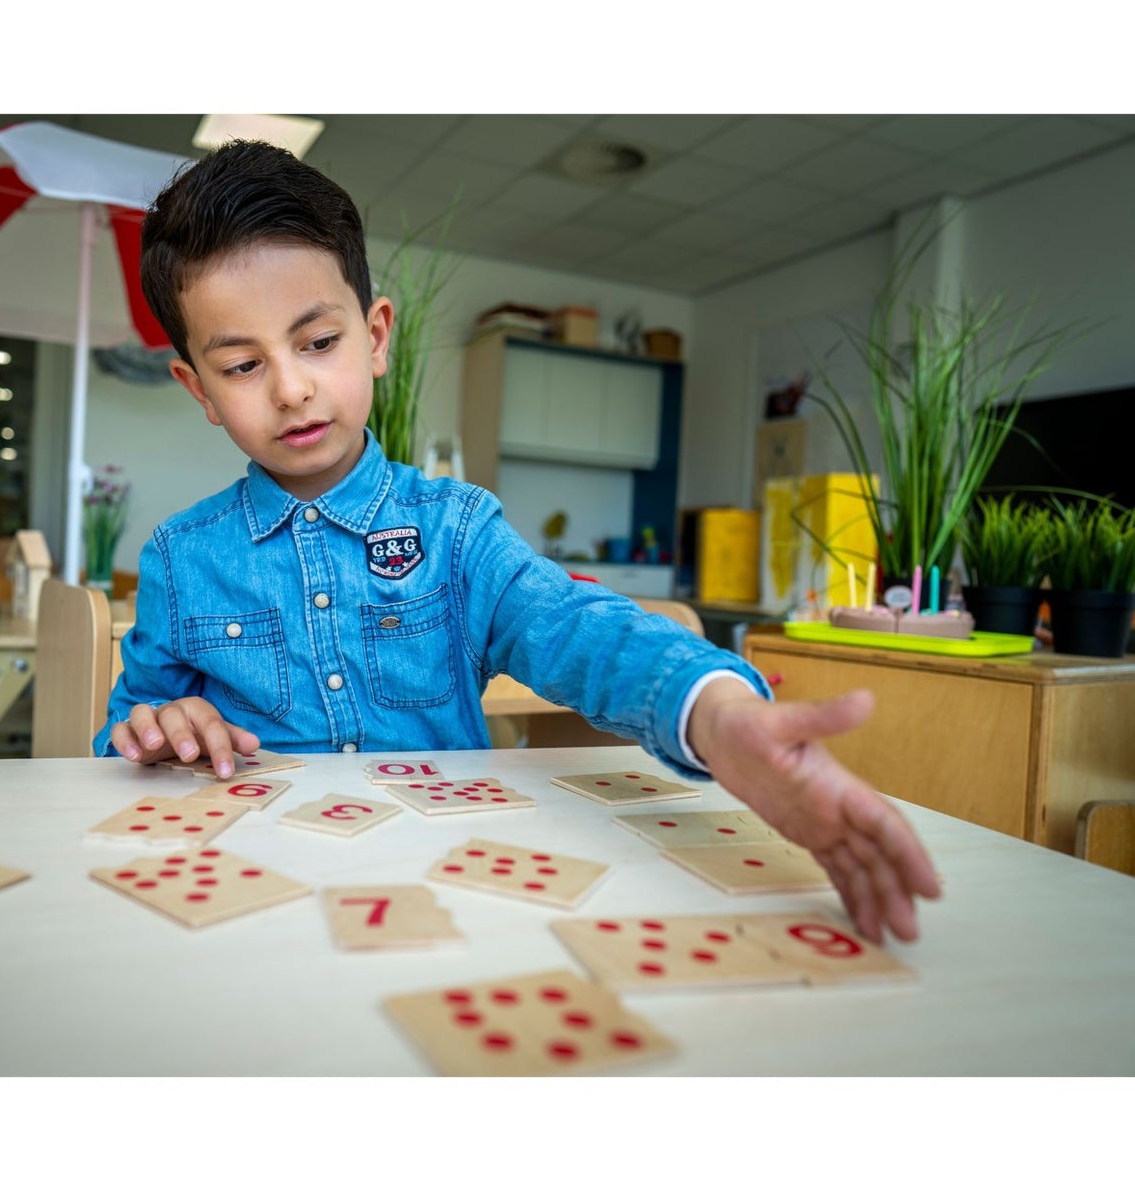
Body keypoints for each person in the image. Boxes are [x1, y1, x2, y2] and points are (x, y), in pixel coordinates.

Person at [95, 140, 939, 945]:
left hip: (443, 888)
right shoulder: (179, 557)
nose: (291, 387)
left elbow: (574, 626)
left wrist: (715, 714)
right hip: (247, 895)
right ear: (197, 388)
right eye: (242, 365)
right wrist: (154, 732)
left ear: (377, 335)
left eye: (319, 342)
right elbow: (118, 742)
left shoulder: (455, 530)